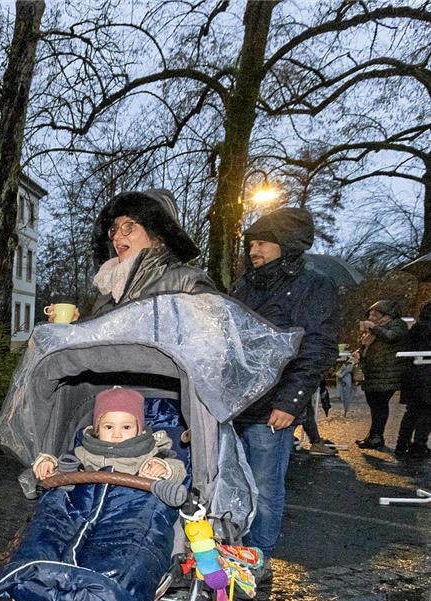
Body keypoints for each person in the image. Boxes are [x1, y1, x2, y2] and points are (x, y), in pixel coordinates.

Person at [230, 207, 338, 568]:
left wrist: (291, 401)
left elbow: (318, 347)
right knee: (232, 481)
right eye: (251, 244)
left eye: (262, 243)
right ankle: (231, 548)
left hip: (272, 408)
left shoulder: (314, 285)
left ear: (285, 245)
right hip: (234, 405)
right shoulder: (245, 283)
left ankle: (256, 557)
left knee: (264, 487)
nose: (254, 250)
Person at [32, 387, 187, 492]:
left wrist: (165, 469)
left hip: (132, 507)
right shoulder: (83, 452)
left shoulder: (152, 452)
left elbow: (179, 470)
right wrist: (49, 465)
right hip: (87, 504)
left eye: (126, 427)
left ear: (139, 430)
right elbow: (65, 470)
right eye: (108, 427)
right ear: (97, 430)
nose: (116, 435)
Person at [89, 188, 216, 317]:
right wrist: (74, 330)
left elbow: (213, 334)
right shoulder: (105, 292)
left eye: (128, 226)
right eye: (113, 229)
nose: (116, 236)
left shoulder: (185, 282)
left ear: (156, 235)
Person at [353, 300, 409, 450]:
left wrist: (374, 328)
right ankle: (374, 436)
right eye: (370, 315)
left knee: (380, 405)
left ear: (386, 315)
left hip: (387, 373)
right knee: (375, 405)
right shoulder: (376, 329)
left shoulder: (397, 324)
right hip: (373, 373)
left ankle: (376, 437)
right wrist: (360, 352)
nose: (371, 317)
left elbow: (391, 337)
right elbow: (366, 346)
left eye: (375, 314)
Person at [396, 299, 431, 459]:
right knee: (427, 412)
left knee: (413, 411)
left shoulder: (418, 327)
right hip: (426, 375)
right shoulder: (426, 329)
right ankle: (419, 445)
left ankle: (402, 444)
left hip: (412, 375)